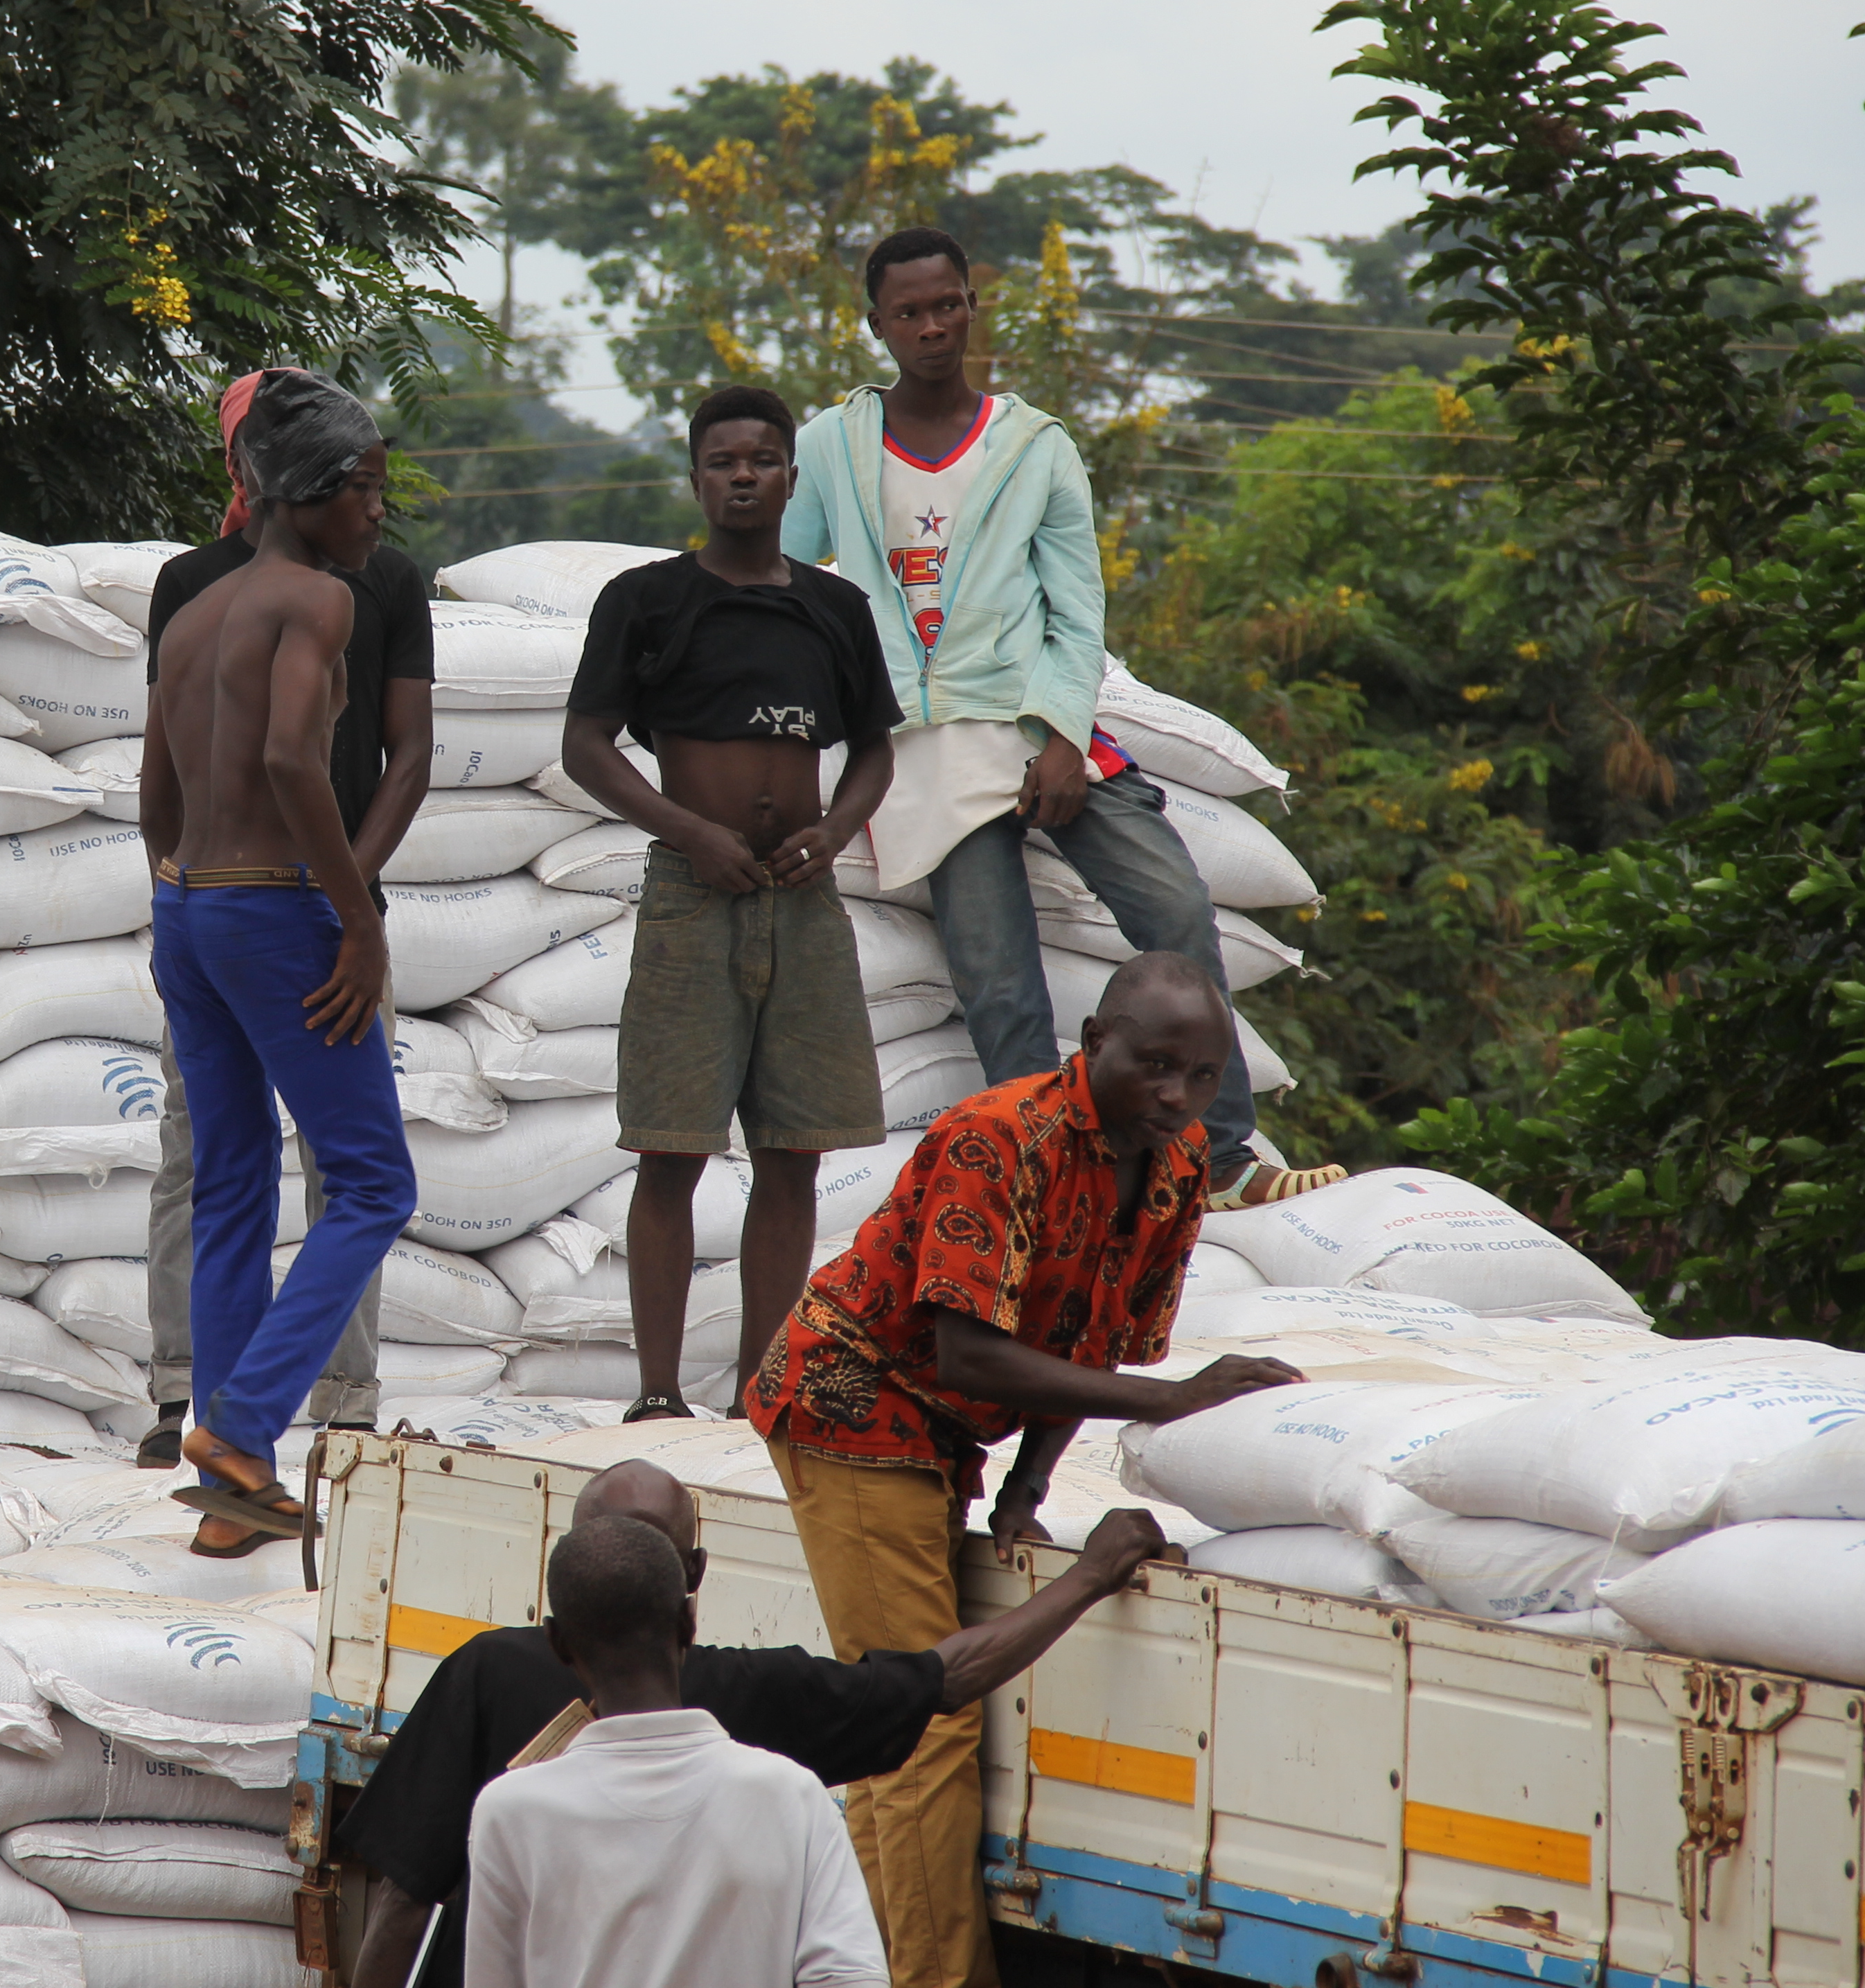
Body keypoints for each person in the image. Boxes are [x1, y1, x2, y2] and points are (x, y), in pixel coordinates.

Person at [754, 953, 1308, 1988]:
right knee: (922, 1722)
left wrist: (1024, 1491)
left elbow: (1096, 1342)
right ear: (1093, 1041)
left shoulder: (1178, 1163)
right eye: (1153, 1066)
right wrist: (1179, 1399)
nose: (1177, 1097)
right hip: (855, 1399)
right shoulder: (998, 1139)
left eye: (1200, 1075)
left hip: (949, 1434)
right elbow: (971, 1352)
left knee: (896, 1745)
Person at [780, 225, 1342, 1211]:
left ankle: (1221, 1160)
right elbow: (785, 572)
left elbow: (1079, 616)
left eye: (947, 304)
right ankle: (1048, 1182)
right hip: (923, 751)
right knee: (999, 987)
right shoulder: (832, 444)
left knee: (1174, 911)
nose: (931, 327)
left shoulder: (1033, 446)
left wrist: (1064, 740)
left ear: (971, 306)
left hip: (1039, 725)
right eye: (908, 312)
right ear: (875, 325)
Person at [342, 1456, 1172, 1988]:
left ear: (562, 1610)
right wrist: (1089, 1576)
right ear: (691, 1590)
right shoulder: (778, 1752)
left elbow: (404, 1901)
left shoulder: (494, 1702)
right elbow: (948, 1677)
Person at [564, 382, 901, 1423]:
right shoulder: (647, 601)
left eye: (763, 459)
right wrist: (692, 833)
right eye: (724, 461)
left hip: (802, 901)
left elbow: (877, 751)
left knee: (792, 1153)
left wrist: (833, 835)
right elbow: (586, 749)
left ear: (792, 478)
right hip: (691, 897)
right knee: (670, 1149)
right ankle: (660, 1392)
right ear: (697, 479)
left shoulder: (833, 609)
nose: (744, 475)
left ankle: (765, 1382)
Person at [140, 373, 418, 1558]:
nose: (376, 515)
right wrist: (351, 920)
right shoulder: (314, 600)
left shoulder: (196, 612)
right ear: (310, 492)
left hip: (187, 914)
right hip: (273, 915)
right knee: (370, 1185)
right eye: (367, 490)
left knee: (230, 1187)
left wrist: (190, 885)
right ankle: (245, 1426)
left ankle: (225, 1486)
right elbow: (296, 765)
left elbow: (153, 794)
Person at [459, 1513, 890, 1988]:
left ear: (557, 1643)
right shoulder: (792, 1796)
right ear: (689, 1622)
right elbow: (851, 1977)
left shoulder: (510, 1812)